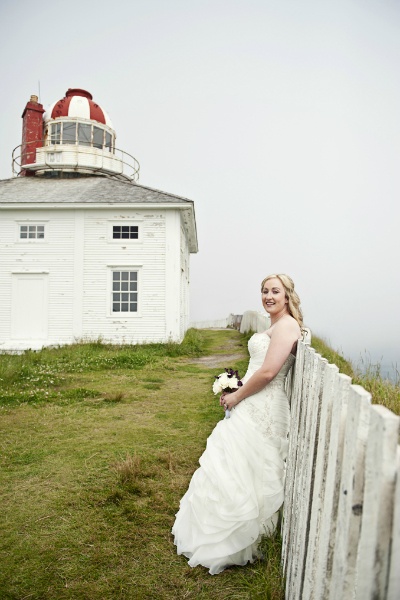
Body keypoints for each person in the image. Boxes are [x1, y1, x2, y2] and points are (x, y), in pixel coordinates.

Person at [172, 274, 303, 575]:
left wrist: (237, 396)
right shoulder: (275, 325)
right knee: (233, 462)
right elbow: (260, 367)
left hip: (266, 405)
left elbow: (269, 372)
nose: (268, 296)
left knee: (251, 466)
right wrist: (237, 389)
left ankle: (245, 535)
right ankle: (220, 532)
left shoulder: (287, 326)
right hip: (254, 398)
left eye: (275, 291)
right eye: (264, 291)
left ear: (287, 296)